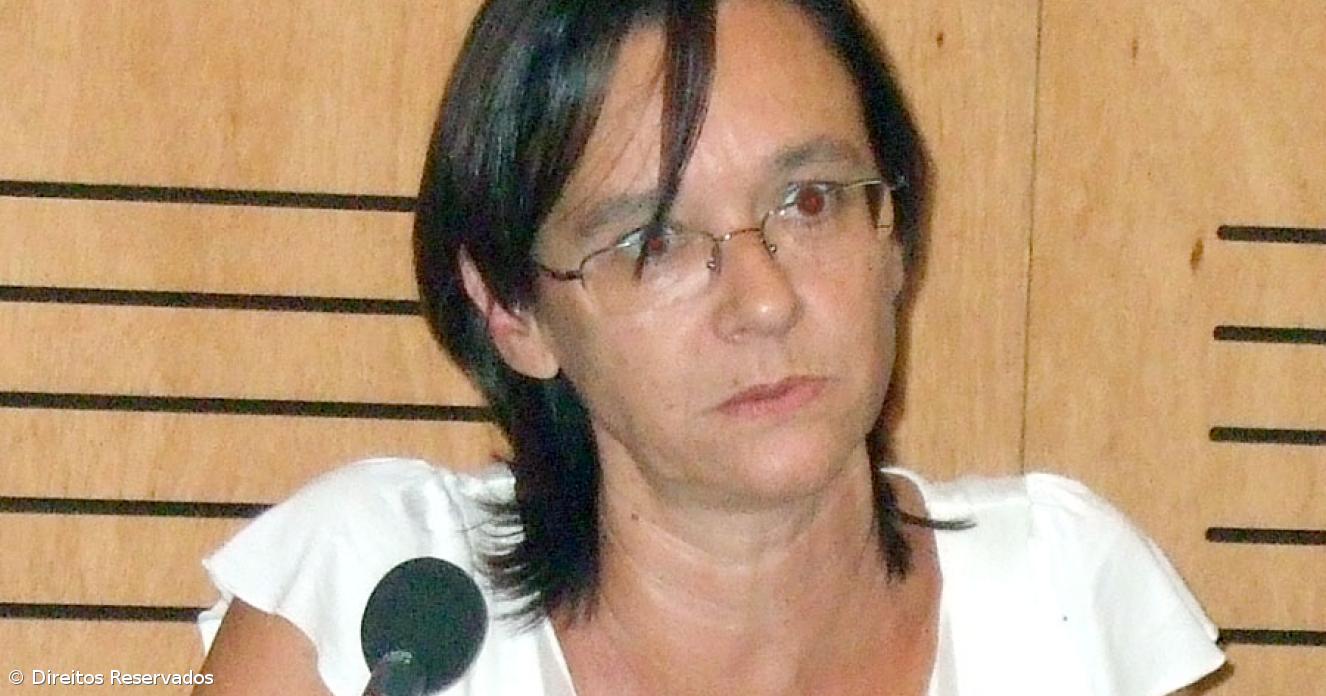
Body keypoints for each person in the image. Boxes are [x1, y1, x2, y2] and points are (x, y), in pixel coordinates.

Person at [194, 0, 1226, 694]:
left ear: (893, 234)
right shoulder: (384, 616)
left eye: (810, 202)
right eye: (653, 242)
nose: (764, 301)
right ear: (513, 311)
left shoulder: (1061, 606)